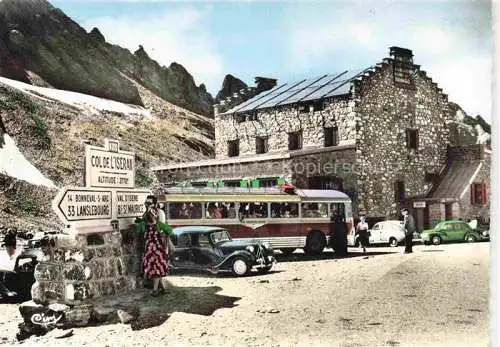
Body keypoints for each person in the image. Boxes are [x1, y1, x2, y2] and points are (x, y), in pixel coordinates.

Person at [135, 195, 173, 296]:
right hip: (151, 243)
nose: (147, 205)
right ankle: (161, 288)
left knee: (158, 265)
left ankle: (157, 289)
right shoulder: (146, 214)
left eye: (149, 203)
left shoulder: (159, 213)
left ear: (155, 204)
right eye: (146, 203)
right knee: (157, 265)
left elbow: (162, 228)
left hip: (158, 242)